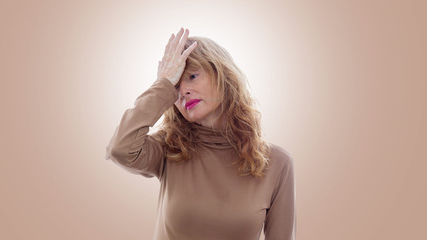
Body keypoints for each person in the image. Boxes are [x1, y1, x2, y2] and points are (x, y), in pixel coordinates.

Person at [105, 27, 296, 240]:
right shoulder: (170, 149)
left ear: (222, 75)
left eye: (192, 76)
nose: (183, 91)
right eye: (175, 86)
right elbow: (120, 149)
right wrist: (163, 86)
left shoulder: (277, 163)